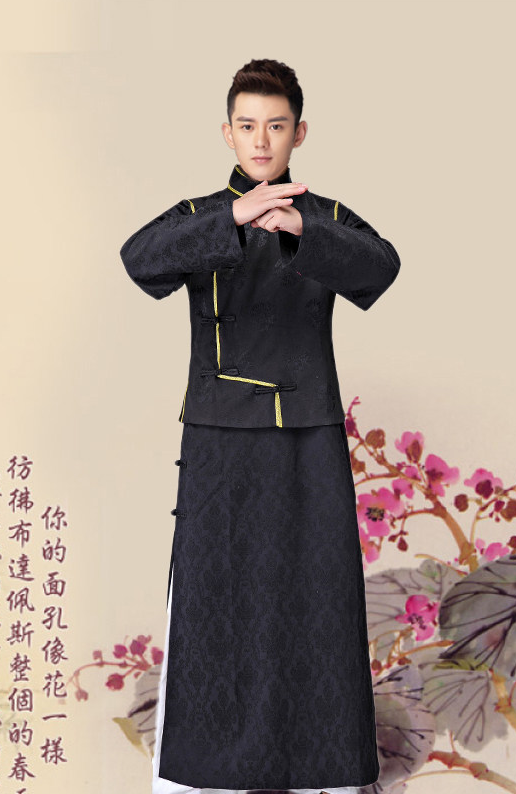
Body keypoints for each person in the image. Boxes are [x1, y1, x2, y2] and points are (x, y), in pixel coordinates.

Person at [120, 59, 400, 794]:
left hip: (308, 431)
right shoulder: (201, 214)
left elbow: (382, 268)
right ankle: (207, 774)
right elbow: (138, 261)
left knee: (318, 597)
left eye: (276, 126)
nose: (262, 140)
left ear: (299, 133)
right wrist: (234, 219)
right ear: (228, 133)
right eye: (248, 126)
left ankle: (322, 773)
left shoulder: (326, 216)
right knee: (215, 599)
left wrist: (304, 229)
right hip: (219, 434)